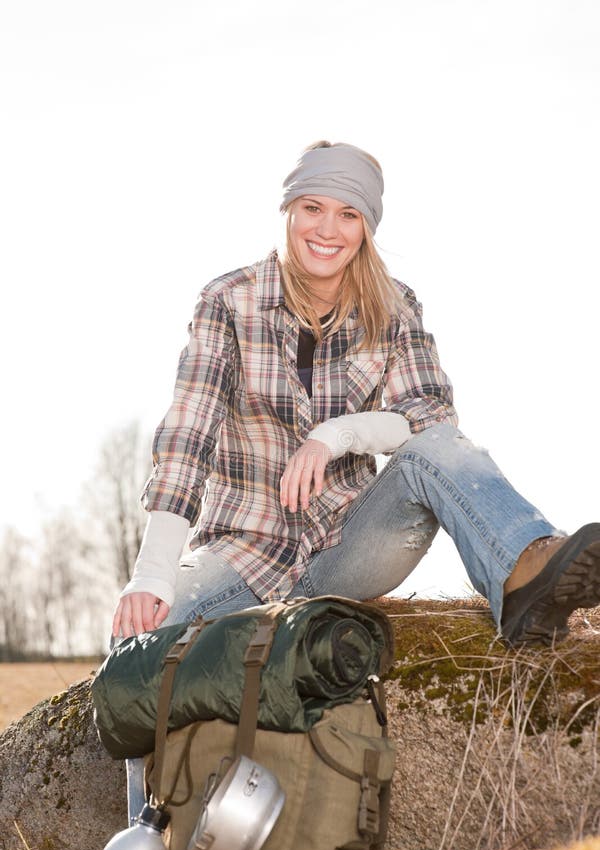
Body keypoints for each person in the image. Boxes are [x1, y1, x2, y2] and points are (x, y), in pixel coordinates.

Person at [112, 140, 600, 652]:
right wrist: (152, 572)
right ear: (288, 210)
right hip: (242, 552)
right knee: (133, 650)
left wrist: (338, 435)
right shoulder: (228, 302)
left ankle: (525, 570)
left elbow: (431, 416)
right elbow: (190, 434)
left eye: (348, 214)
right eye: (313, 208)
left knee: (437, 447)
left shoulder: (394, 306)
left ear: (366, 227)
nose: (327, 230)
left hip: (350, 542)